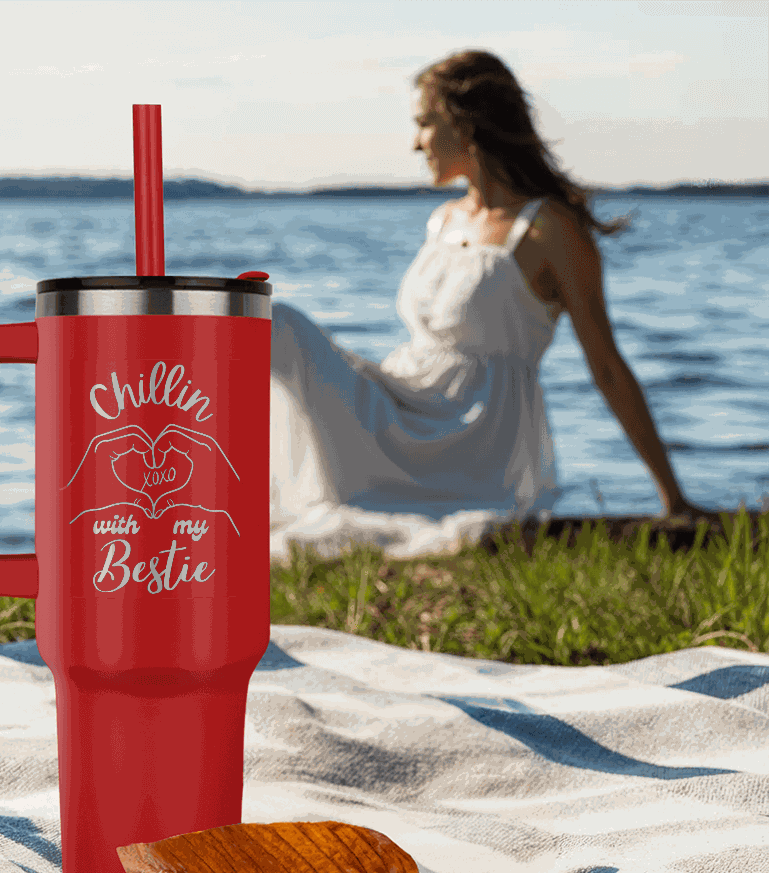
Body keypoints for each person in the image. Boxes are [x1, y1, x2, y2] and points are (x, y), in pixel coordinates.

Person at [269, 49, 711, 564]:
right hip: (399, 405)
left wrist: (672, 497)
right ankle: (194, 500)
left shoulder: (550, 231)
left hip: (472, 440)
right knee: (269, 323)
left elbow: (607, 366)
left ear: (466, 124)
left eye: (425, 124)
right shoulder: (444, 221)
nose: (415, 143)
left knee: (277, 324)